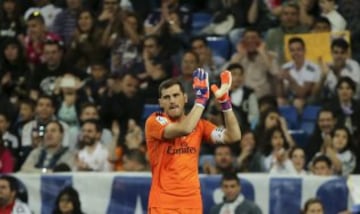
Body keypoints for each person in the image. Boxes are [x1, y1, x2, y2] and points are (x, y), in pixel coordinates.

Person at [145, 69, 241, 213]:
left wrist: (225, 104)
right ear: (160, 103)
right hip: (164, 203)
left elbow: (233, 136)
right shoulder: (155, 121)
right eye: (166, 97)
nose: (172, 100)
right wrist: (201, 101)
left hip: (192, 203)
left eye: (176, 95)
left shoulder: (200, 125)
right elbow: (184, 129)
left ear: (185, 98)